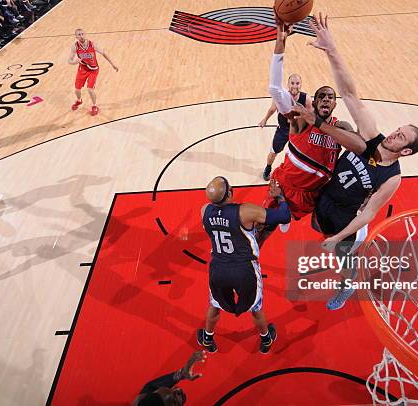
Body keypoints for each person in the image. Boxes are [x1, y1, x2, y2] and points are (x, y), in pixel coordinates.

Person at [297, 13, 418, 310]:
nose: (394, 134)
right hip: (327, 200)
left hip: (348, 220)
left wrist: (341, 236)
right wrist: (332, 50)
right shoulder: (370, 136)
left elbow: (369, 214)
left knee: (345, 258)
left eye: (401, 137)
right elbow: (350, 94)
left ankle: (347, 284)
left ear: (406, 151)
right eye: (398, 130)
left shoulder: (392, 177)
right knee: (318, 226)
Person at [257, 19, 366, 247]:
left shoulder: (341, 127)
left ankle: (346, 270)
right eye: (321, 96)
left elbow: (362, 147)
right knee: (265, 227)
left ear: (335, 104)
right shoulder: (299, 120)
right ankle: (253, 256)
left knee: (326, 229)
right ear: (313, 102)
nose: (326, 99)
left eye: (330, 97)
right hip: (286, 186)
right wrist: (280, 43)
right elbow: (275, 90)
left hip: (316, 194)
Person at [197, 176, 291, 354]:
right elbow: (284, 216)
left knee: (215, 304)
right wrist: (280, 197)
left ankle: (207, 338)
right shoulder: (245, 211)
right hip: (244, 269)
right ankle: (266, 339)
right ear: (230, 194)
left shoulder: (204, 211)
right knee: (255, 308)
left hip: (219, 268)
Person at [258, 73, 311, 181]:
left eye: (297, 83)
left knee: (302, 155)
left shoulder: (306, 98)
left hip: (299, 131)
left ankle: (300, 172)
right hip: (283, 130)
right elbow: (272, 109)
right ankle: (268, 168)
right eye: (292, 83)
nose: (295, 86)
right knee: (273, 152)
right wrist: (265, 119)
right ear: (288, 84)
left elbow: (310, 115)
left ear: (301, 85)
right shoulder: (281, 96)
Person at [68, 28, 119, 116]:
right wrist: (74, 62)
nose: (81, 36)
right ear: (76, 37)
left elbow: (104, 53)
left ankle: (95, 106)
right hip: (82, 69)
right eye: (79, 35)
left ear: (85, 34)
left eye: (82, 34)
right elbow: (69, 60)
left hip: (93, 69)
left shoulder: (92, 44)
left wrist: (113, 64)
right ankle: (79, 100)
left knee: (90, 90)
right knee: (77, 90)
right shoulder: (75, 46)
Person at [133, 351, 206, 406]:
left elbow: (150, 388)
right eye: (174, 402)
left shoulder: (141, 400)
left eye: (171, 389)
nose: (177, 390)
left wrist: (182, 373)